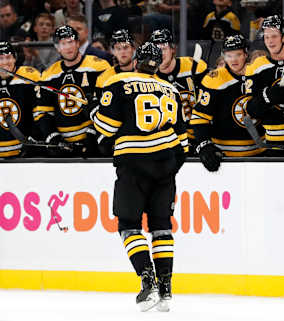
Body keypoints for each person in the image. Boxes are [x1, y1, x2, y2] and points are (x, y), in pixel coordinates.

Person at [93, 42, 187, 312]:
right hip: (166, 165)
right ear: (157, 64)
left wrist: (95, 112)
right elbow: (182, 140)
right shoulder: (171, 89)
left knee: (128, 224)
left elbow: (106, 127)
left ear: (135, 60)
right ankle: (166, 288)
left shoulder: (118, 81)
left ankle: (149, 283)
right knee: (161, 226)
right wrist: (168, 166)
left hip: (133, 163)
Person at [190, 35, 264, 173]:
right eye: (229, 55)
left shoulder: (258, 73)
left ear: (246, 54)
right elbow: (199, 118)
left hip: (259, 154)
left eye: (238, 54)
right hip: (224, 157)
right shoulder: (214, 79)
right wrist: (204, 145)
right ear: (224, 56)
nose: (234, 60)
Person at [34, 25, 110, 157]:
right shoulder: (49, 75)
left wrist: (94, 132)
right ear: (57, 48)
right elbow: (42, 112)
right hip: (64, 147)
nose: (68, 47)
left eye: (70, 42)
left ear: (77, 43)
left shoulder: (99, 66)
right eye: (63, 44)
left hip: (95, 142)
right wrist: (53, 137)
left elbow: (109, 106)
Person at [0, 42, 41, 158]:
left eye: (8, 57)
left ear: (15, 58)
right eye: (0, 58)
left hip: (29, 147)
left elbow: (40, 110)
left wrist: (35, 137)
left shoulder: (30, 76)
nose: (5, 62)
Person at [150, 28, 208, 152]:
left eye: (164, 49)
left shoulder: (194, 66)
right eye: (156, 50)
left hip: (200, 134)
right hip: (169, 140)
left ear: (173, 49)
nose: (160, 54)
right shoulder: (149, 78)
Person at [245, 15, 284, 155]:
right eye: (266, 36)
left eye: (274, 36)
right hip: (274, 145)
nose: (270, 41)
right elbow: (250, 110)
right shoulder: (257, 67)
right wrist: (268, 96)